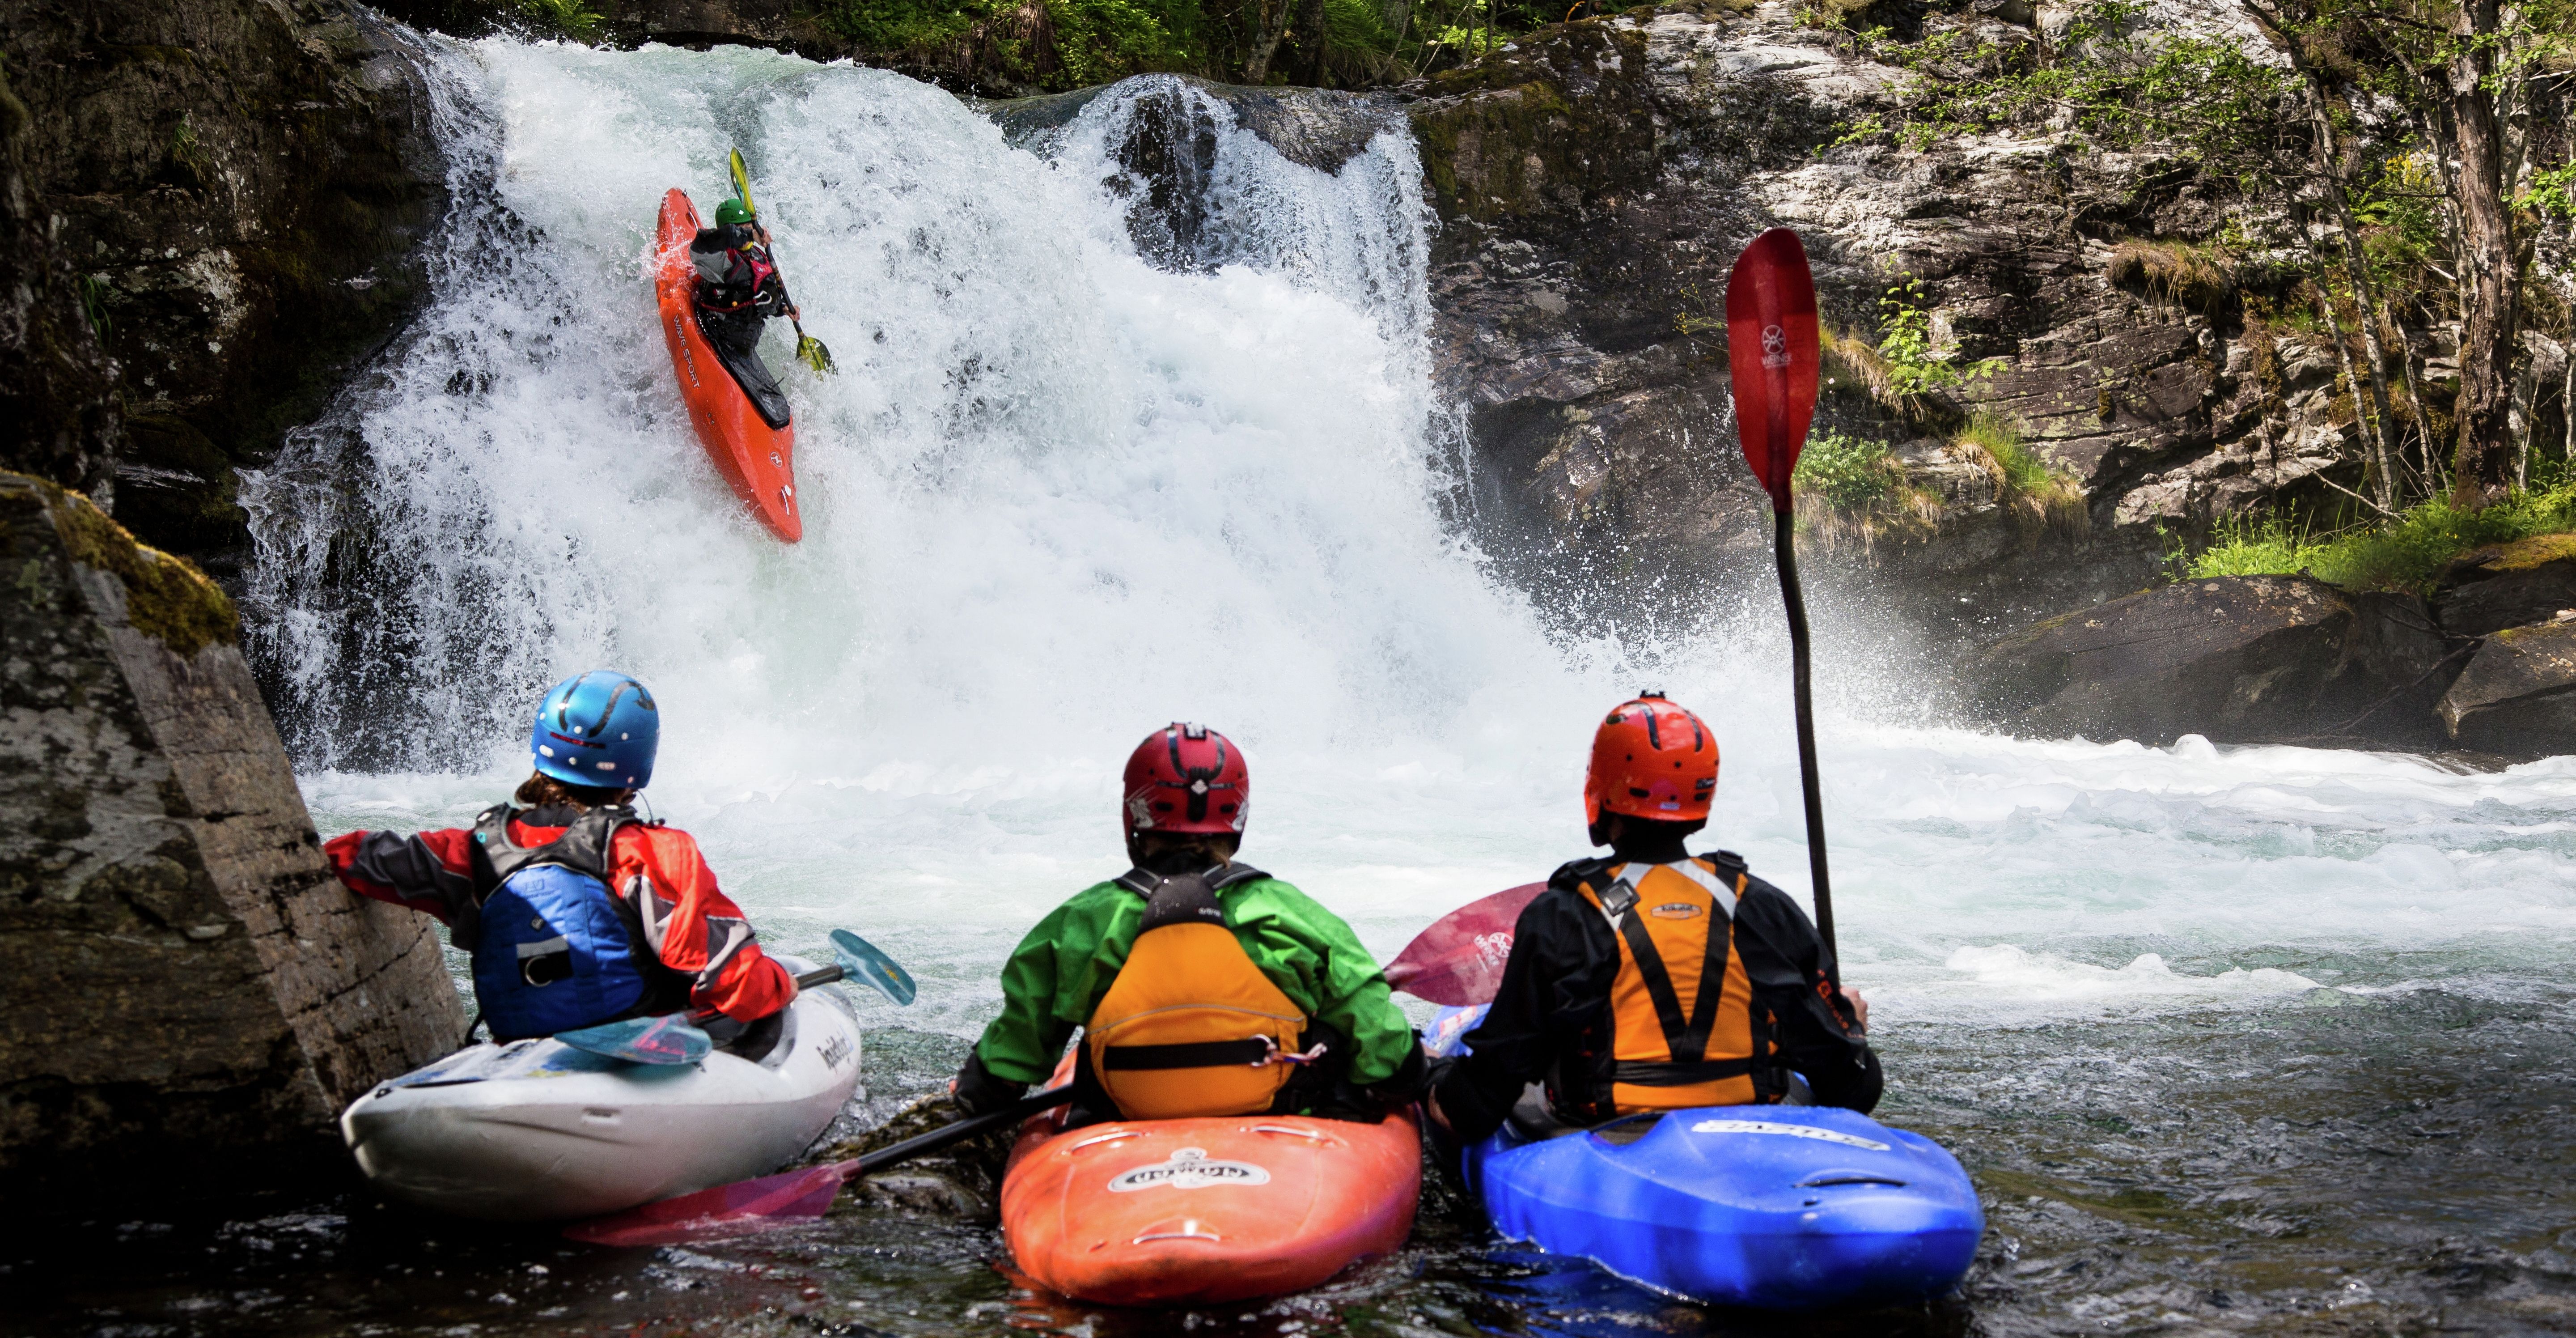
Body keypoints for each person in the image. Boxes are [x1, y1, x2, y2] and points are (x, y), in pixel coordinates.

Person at [1428, 692, 1880, 1143]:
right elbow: (1855, 1088)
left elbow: (1480, 1101)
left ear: (1601, 790)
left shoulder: (1563, 916)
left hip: (1603, 1136)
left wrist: (1430, 1076)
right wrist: (1851, 1028)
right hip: (1749, 1128)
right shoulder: (1762, 907)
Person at [949, 722, 1430, 1125]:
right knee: (1335, 1032)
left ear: (1135, 816)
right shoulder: (1290, 914)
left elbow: (1012, 1059)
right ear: (1237, 818)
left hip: (1126, 1118)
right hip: (1279, 1113)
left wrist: (977, 1092)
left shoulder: (1082, 923)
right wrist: (1413, 1075)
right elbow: (1380, 1044)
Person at [323, 671, 796, 1051]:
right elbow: (733, 982)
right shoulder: (656, 852)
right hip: (642, 1054)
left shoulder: (476, 850)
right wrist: (782, 985)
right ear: (637, 766)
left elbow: (360, 858)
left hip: (521, 1051)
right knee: (768, 1015)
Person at [689, 198, 795, 428]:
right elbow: (700, 245)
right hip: (719, 331)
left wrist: (782, 309)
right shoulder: (721, 259)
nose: (752, 235)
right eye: (745, 231)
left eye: (752, 228)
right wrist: (747, 236)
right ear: (733, 232)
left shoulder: (756, 256)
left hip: (744, 343)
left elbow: (762, 297)